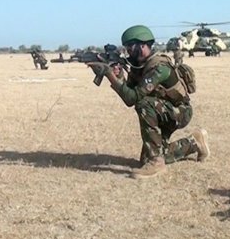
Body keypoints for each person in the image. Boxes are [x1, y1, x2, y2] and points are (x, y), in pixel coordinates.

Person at [89, 25, 209, 179]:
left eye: (130, 47)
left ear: (142, 45)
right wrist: (118, 76)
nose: (128, 51)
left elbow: (134, 98)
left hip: (179, 112)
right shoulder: (139, 66)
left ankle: (156, 163)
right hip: (162, 110)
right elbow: (128, 96)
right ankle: (194, 143)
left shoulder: (159, 68)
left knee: (144, 104)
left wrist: (108, 74)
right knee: (146, 159)